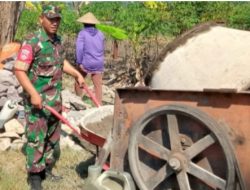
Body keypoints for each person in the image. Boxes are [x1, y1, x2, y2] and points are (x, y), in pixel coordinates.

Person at [14, 5, 85, 190]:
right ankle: (35, 178)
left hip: (55, 101)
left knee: (51, 138)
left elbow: (61, 63)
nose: (54, 23)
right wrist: (34, 94)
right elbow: (19, 70)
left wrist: (76, 74)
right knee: (36, 138)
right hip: (38, 103)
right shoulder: (32, 41)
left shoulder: (57, 40)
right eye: (50, 18)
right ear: (41, 19)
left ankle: (46, 169)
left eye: (57, 19)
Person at [75, 12, 105, 105]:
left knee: (78, 79)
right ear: (94, 23)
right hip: (98, 62)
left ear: (84, 23)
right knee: (98, 86)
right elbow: (102, 48)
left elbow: (79, 49)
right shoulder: (101, 34)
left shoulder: (82, 33)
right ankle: (98, 105)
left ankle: (77, 101)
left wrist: (79, 62)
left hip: (86, 62)